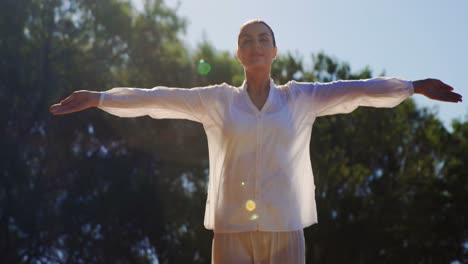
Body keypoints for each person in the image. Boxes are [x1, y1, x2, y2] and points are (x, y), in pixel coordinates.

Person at [50, 19, 462, 264]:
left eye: (263, 38)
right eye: (247, 39)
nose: (255, 44)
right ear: (238, 54)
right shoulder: (218, 100)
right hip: (231, 230)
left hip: (286, 227)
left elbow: (356, 90)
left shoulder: (299, 98)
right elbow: (158, 99)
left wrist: (412, 86)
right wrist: (100, 98)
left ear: (275, 51)